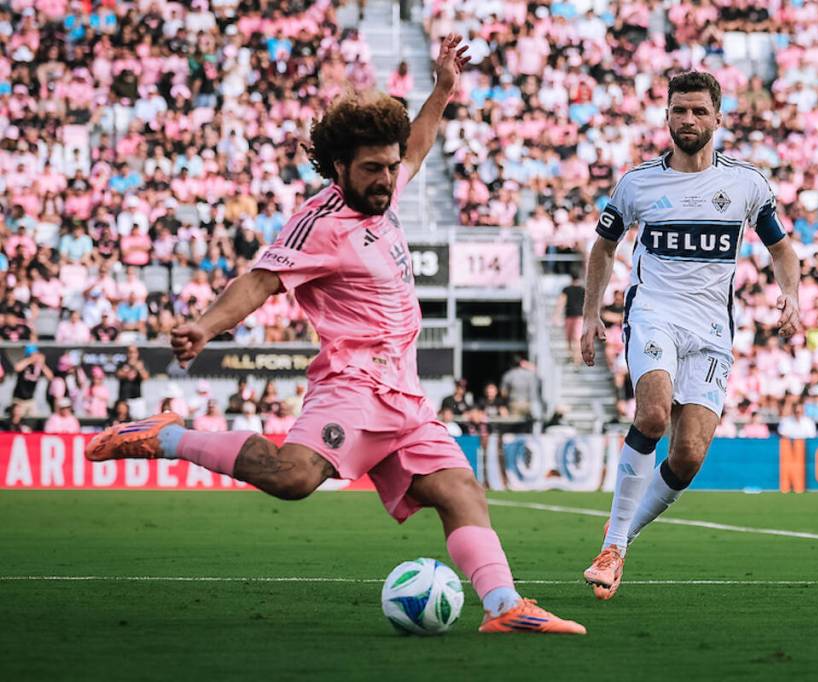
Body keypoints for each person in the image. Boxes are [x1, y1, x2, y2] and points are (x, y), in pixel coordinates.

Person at [85, 35, 583, 636]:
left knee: (460, 490)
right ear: (339, 166)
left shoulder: (387, 186)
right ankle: (167, 438)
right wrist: (204, 325)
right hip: (352, 383)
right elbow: (261, 280)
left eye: (390, 166)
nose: (386, 178)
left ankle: (504, 607)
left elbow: (419, 143)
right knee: (293, 479)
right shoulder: (318, 223)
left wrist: (444, 90)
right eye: (372, 168)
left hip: (404, 392)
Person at [579, 72, 802, 600]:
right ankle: (612, 543)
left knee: (688, 456)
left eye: (699, 111)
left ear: (718, 118)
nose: (688, 120)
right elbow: (603, 249)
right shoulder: (637, 184)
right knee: (653, 414)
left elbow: (781, 249)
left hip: (711, 331)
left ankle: (618, 543)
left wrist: (792, 293)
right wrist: (591, 313)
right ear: (667, 117)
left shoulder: (747, 184)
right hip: (654, 313)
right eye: (679, 111)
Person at [12, 345, 53, 417]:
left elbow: (50, 377)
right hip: (19, 399)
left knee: (34, 419)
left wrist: (42, 364)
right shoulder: (25, 363)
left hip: (30, 399)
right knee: (17, 419)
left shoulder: (38, 366)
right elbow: (17, 368)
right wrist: (30, 360)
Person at [557, 272, 586, 364]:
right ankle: (576, 358)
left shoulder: (566, 289)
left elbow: (561, 302)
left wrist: (556, 315)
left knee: (570, 338)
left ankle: (574, 357)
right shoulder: (583, 289)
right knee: (576, 338)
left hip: (569, 316)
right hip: (580, 316)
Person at [116, 345, 149, 418]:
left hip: (137, 399)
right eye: (130, 352)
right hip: (124, 399)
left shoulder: (141, 364)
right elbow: (118, 374)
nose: (132, 355)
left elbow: (145, 377)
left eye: (134, 352)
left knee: (139, 422)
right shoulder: (122, 364)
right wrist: (128, 369)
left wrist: (139, 369)